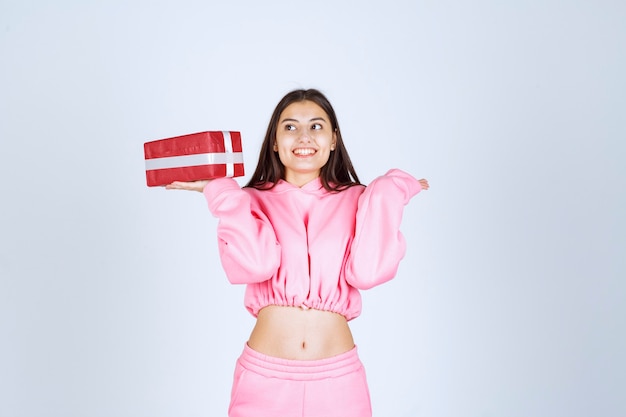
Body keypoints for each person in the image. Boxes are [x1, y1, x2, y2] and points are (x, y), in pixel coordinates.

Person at [166, 88, 429, 417]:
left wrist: (392, 188)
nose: (304, 136)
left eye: (316, 126)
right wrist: (222, 194)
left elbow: (369, 271)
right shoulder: (249, 201)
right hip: (264, 381)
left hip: (338, 383)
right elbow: (254, 265)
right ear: (274, 141)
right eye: (290, 127)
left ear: (334, 139)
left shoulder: (359, 199)